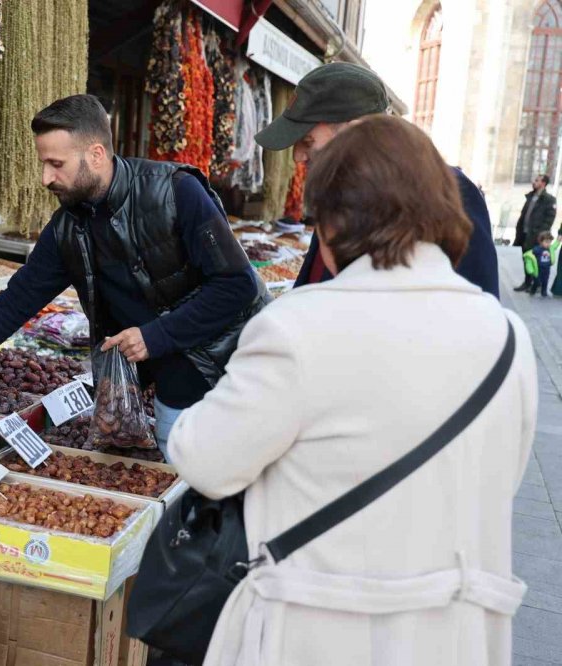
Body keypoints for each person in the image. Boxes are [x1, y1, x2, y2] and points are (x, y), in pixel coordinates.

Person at [167, 116, 536, 666]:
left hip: (325, 633)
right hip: (456, 636)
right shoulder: (508, 336)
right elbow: (499, 476)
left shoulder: (299, 327)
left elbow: (202, 459)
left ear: (335, 221)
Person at [0, 94, 269, 455]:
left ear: (96, 155)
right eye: (44, 163)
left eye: (56, 164)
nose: (45, 178)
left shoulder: (175, 192)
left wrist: (156, 335)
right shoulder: (68, 228)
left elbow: (237, 285)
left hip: (225, 369)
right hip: (161, 383)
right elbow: (15, 302)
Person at [255, 62, 500, 297]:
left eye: (308, 142)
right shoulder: (336, 192)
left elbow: (475, 309)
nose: (298, 156)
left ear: (355, 130)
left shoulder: (450, 192)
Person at [513, 174, 557, 292]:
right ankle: (528, 282)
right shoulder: (531, 197)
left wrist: (540, 234)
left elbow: (550, 219)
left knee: (536, 261)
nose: (534, 182)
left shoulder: (549, 200)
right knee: (527, 259)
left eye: (537, 180)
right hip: (525, 234)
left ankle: (536, 283)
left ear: (543, 183)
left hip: (537, 237)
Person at [524, 231, 559, 297]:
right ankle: (533, 290)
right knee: (537, 282)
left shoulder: (550, 248)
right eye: (546, 242)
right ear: (541, 241)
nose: (548, 244)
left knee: (545, 281)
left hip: (546, 269)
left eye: (549, 242)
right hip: (538, 269)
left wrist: (558, 241)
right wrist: (529, 268)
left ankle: (544, 292)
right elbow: (529, 257)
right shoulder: (537, 249)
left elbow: (554, 246)